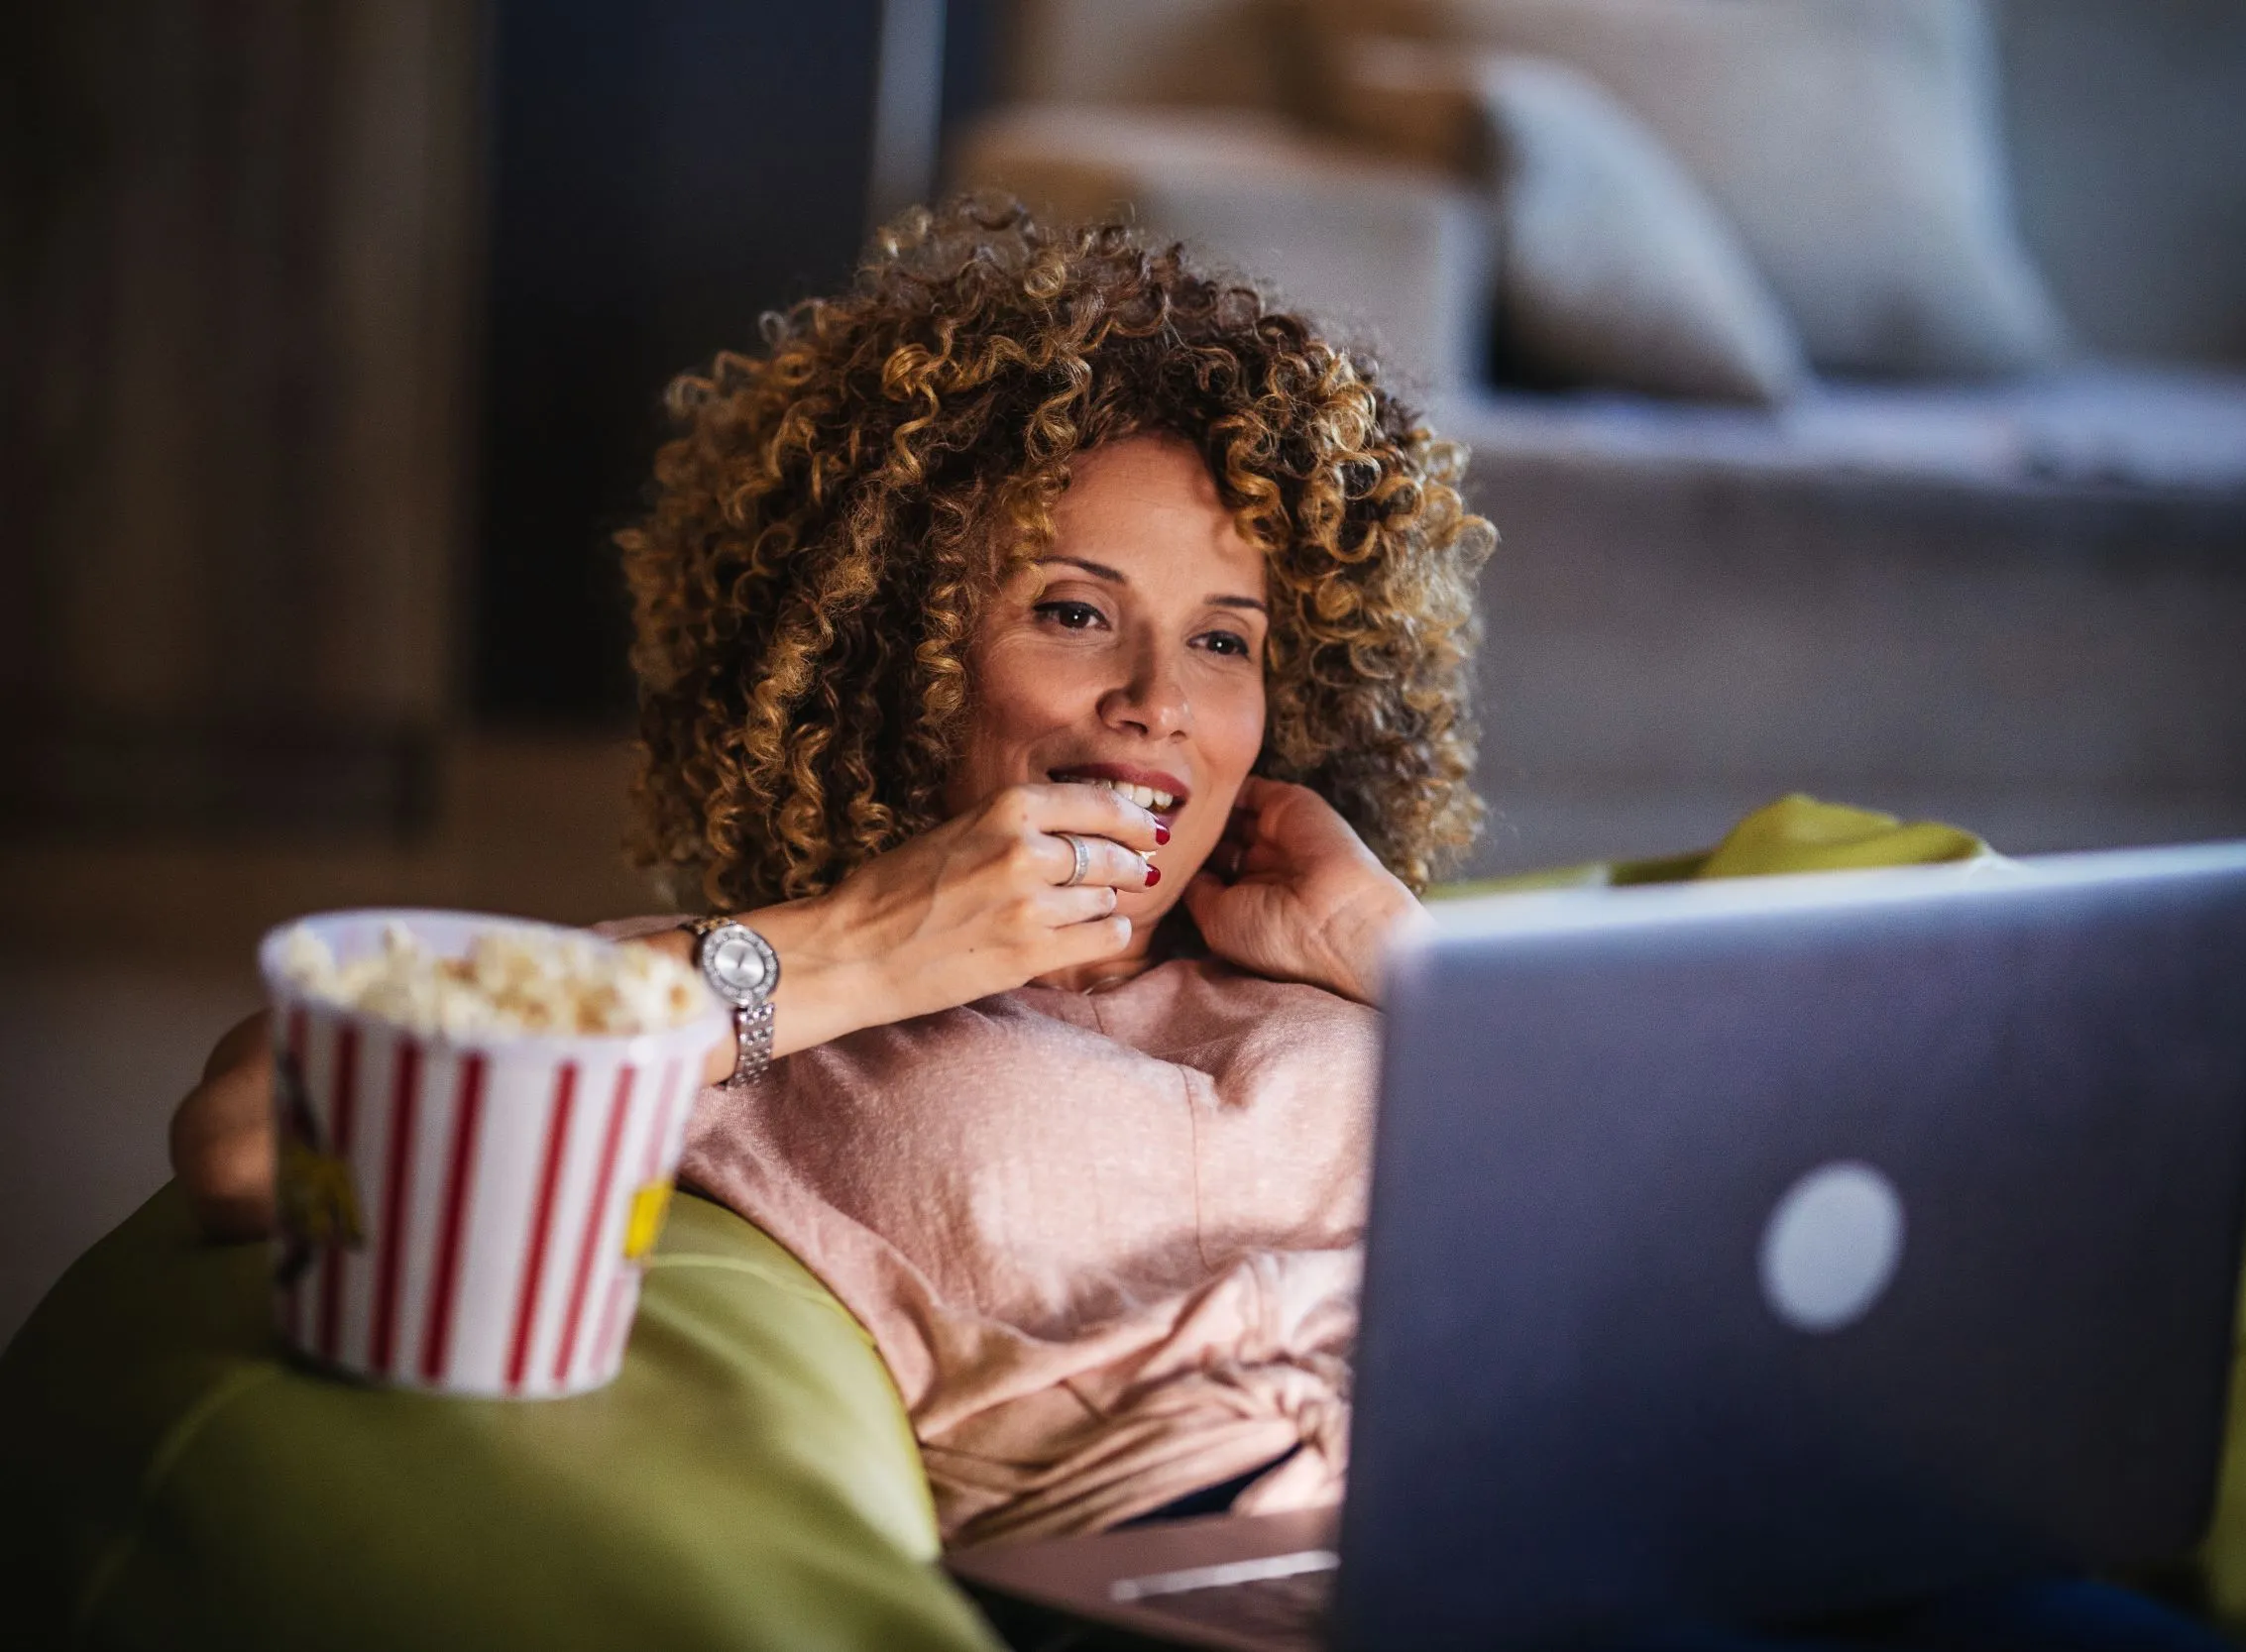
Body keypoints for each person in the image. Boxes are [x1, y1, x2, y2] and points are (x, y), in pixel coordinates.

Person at [171, 196, 1491, 1543]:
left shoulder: (1357, 962)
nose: (1159, 699)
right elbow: (251, 1140)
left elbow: (1692, 1217)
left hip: (1555, 1490)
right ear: (896, 659)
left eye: (1225, 640)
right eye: (1074, 612)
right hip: (1205, 1562)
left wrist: (1398, 954)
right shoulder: (789, 1019)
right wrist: (861, 946)